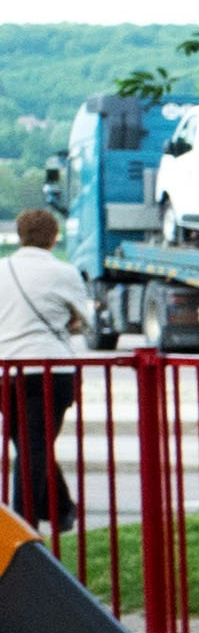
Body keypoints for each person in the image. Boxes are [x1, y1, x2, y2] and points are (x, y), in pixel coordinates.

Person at [2, 208, 93, 534]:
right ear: (55, 238)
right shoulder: (64, 273)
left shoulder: (2, 270)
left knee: (29, 445)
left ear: (20, 235)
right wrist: (70, 322)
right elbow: (86, 319)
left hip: (6, 372)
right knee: (34, 447)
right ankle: (22, 528)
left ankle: (62, 509)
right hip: (50, 370)